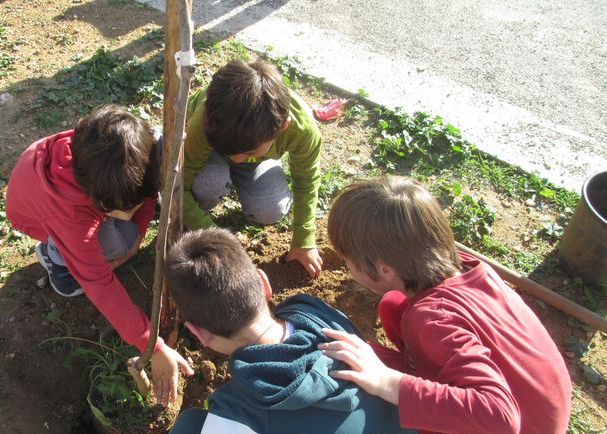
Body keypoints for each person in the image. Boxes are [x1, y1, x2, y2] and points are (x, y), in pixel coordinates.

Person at [320, 176, 572, 434]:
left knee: (370, 373)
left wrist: (387, 382)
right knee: (393, 306)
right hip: (540, 409)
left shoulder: (432, 319)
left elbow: (501, 418)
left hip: (511, 422)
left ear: (385, 270)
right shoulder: (468, 267)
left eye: (347, 261)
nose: (347, 267)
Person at [5, 105, 193, 405]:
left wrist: (139, 230)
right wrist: (153, 346)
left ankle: (76, 247)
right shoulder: (72, 218)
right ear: (99, 201)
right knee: (112, 246)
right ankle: (57, 259)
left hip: (59, 195)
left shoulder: (119, 152)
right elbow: (101, 286)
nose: (131, 211)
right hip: (40, 216)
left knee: (125, 237)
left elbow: (145, 195)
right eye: (120, 208)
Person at [166, 228, 411, 434]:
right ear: (264, 283)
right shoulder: (319, 314)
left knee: (190, 425)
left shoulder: (235, 410)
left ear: (199, 334)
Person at [183, 59, 324, 278]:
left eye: (248, 151)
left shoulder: (303, 130)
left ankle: (252, 160)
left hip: (258, 160)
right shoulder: (202, 123)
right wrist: (214, 236)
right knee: (208, 183)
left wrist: (304, 239)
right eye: (234, 154)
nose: (237, 160)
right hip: (211, 150)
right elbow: (178, 184)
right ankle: (196, 213)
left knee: (270, 209)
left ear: (282, 127)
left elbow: (306, 181)